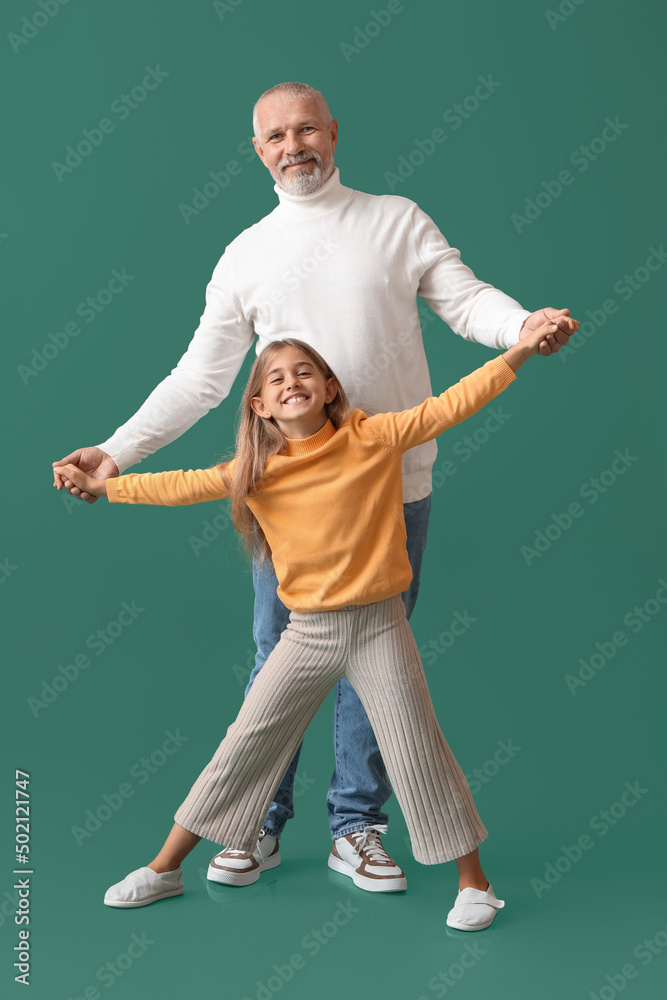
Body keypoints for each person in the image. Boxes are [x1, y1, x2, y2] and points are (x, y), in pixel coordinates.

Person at [52, 80, 578, 890]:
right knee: (278, 658)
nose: (293, 145)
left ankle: (357, 824)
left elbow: (466, 302)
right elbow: (200, 377)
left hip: (393, 485)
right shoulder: (245, 254)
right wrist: (115, 456)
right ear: (257, 151)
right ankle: (255, 823)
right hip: (287, 499)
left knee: (380, 663)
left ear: (332, 133)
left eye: (306, 129)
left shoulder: (395, 221)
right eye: (275, 136)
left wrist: (521, 330)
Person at [55, 319, 558, 929]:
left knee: (417, 746)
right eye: (274, 377)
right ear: (261, 406)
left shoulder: (374, 437)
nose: (290, 381)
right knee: (245, 744)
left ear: (328, 387)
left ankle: (475, 885)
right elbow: (178, 485)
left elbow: (455, 402)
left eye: (303, 372)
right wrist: (104, 486)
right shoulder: (254, 473)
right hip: (308, 634)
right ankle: (164, 870)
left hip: (380, 628)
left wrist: (524, 348)